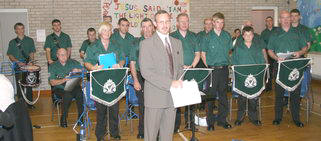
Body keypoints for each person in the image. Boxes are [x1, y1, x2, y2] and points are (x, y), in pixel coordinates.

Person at [139, 10, 184, 141]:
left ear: (171, 22)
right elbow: (146, 72)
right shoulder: (146, 44)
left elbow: (180, 67)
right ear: (155, 24)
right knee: (150, 136)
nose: (164, 25)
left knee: (167, 136)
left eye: (167, 21)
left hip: (172, 97)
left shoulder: (177, 43)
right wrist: (170, 83)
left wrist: (181, 81)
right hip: (155, 97)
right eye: (161, 22)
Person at [84, 22, 125, 140]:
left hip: (114, 81)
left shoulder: (116, 45)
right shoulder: (93, 47)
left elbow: (122, 59)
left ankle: (115, 133)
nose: (107, 32)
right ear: (100, 32)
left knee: (114, 109)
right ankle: (100, 134)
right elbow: (86, 62)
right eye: (105, 30)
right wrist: (93, 67)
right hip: (99, 82)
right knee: (101, 110)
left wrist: (119, 65)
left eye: (109, 30)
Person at [267, 10, 307, 127]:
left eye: (287, 17)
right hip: (280, 65)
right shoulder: (274, 34)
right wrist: (276, 58)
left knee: (295, 94)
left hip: (295, 67)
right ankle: (278, 118)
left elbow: (304, 47)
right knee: (279, 94)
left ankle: (296, 118)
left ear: (291, 19)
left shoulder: (298, 32)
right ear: (279, 20)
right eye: (283, 18)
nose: (285, 20)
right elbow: (270, 50)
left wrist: (300, 53)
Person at [200, 12, 233, 131]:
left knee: (223, 95)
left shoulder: (227, 36)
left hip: (224, 70)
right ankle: (210, 123)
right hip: (212, 70)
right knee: (211, 97)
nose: (220, 24)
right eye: (217, 22)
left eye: (222, 22)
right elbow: (203, 54)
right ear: (213, 23)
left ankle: (222, 120)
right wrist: (208, 66)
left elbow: (230, 51)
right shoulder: (207, 37)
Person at [170, 13, 200, 132]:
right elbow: (170, 55)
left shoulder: (194, 36)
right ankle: (175, 125)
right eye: (182, 21)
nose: (184, 24)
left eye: (186, 21)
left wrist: (192, 65)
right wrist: (181, 66)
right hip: (177, 72)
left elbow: (197, 54)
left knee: (191, 99)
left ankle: (190, 123)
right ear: (177, 23)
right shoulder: (171, 36)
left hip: (191, 71)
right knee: (177, 100)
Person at [232, 26, 266, 126]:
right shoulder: (238, 47)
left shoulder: (257, 47)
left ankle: (254, 118)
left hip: (254, 77)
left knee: (253, 98)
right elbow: (234, 61)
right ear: (242, 36)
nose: (248, 37)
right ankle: (240, 117)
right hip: (242, 76)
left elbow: (261, 61)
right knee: (242, 98)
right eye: (246, 35)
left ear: (253, 35)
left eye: (250, 35)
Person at [129, 17, 155, 139]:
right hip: (141, 77)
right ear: (141, 29)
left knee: (156, 106)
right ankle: (142, 131)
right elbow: (133, 63)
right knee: (143, 105)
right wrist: (135, 80)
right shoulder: (136, 43)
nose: (146, 29)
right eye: (144, 27)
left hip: (156, 78)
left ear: (153, 27)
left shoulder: (158, 41)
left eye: (149, 26)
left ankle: (156, 131)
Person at [48, 48, 84, 128]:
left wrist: (79, 70)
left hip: (73, 86)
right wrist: (64, 79)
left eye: (65, 54)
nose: (64, 56)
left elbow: (84, 69)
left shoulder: (73, 62)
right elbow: (52, 82)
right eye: (61, 55)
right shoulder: (53, 66)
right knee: (67, 94)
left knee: (80, 93)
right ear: (57, 55)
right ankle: (63, 118)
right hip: (59, 88)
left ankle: (81, 118)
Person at [7, 22, 36, 109]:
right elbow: (10, 55)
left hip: (28, 65)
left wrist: (31, 62)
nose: (21, 30)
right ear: (15, 30)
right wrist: (17, 62)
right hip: (18, 66)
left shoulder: (30, 40)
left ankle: (30, 103)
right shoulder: (12, 42)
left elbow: (31, 52)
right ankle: (21, 105)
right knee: (20, 85)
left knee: (30, 84)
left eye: (22, 28)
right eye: (18, 29)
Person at [261, 16, 277, 92]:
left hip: (277, 53)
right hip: (268, 54)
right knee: (268, 70)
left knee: (278, 70)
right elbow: (262, 45)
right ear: (266, 23)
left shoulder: (278, 30)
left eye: (270, 20)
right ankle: (268, 86)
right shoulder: (263, 33)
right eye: (267, 21)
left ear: (272, 21)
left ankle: (278, 87)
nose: (269, 22)